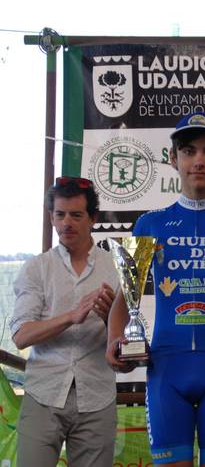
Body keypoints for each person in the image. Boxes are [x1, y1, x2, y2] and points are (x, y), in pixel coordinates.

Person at [106, 111, 205, 466]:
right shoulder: (150, 224)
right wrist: (115, 339)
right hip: (167, 368)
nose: (199, 160)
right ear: (172, 158)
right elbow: (124, 298)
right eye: (188, 150)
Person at [11, 176, 119, 467]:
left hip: (97, 396)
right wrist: (71, 317)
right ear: (51, 218)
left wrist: (111, 320)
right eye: (60, 215)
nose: (66, 223)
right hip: (43, 393)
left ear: (93, 218)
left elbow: (128, 346)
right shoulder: (36, 268)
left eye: (76, 215)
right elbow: (21, 335)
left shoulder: (116, 267)